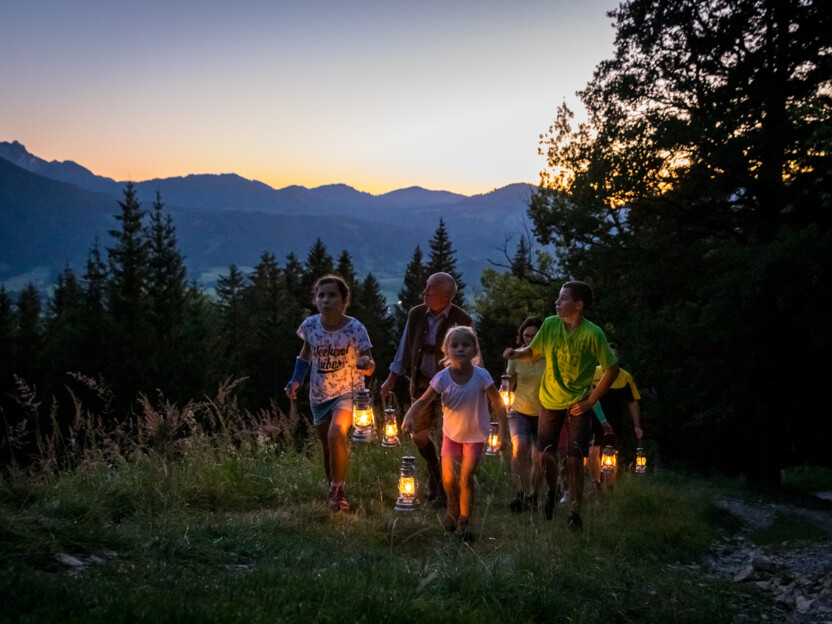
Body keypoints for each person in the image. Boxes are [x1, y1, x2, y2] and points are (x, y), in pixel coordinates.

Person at [504, 280, 619, 532]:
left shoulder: (593, 334)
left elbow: (612, 369)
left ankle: (574, 512)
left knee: (576, 459)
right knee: (546, 455)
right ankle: (552, 492)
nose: (557, 302)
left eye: (563, 298)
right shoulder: (550, 324)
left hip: (578, 404)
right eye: (558, 297)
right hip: (549, 401)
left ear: (578, 305)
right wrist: (516, 353)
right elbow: (534, 352)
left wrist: (591, 401)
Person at [403, 326, 507, 540]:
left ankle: (465, 521)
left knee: (466, 478)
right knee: (449, 479)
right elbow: (424, 400)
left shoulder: (481, 376)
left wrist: (503, 433)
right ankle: (452, 509)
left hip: (476, 436)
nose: (460, 349)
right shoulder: (442, 378)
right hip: (451, 436)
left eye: (466, 345)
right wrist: (409, 416)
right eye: (455, 345)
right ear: (446, 351)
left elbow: (498, 403)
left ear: (474, 350)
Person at [381, 272, 474, 505]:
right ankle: (436, 475)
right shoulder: (415, 314)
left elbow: (473, 357)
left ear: (445, 295)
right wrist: (391, 379)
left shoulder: (462, 319)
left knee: (449, 438)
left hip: (452, 388)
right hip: (422, 384)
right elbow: (404, 349)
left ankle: (446, 490)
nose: (424, 292)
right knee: (419, 435)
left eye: (430, 289)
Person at [285, 275, 375, 513]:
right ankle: (333, 489)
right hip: (319, 393)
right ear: (315, 299)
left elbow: (370, 364)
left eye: (332, 295)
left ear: (344, 300)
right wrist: (296, 380)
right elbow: (306, 354)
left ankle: (339, 492)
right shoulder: (310, 326)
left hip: (348, 392)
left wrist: (365, 362)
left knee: (337, 434)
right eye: (321, 295)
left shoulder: (356, 328)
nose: (325, 300)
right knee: (327, 445)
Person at [504, 317, 546, 513]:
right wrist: (501, 405)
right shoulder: (516, 358)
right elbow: (508, 383)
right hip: (519, 410)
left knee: (539, 457)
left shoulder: (549, 356)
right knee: (518, 448)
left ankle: (533, 495)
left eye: (534, 335)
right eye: (526, 335)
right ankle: (520, 493)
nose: (530, 339)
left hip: (544, 411)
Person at [587, 346, 643, 490]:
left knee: (611, 453)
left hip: (615, 420)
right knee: (593, 451)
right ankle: (596, 485)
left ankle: (610, 486)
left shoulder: (626, 377)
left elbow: (633, 401)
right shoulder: (592, 373)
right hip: (594, 419)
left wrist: (637, 425)